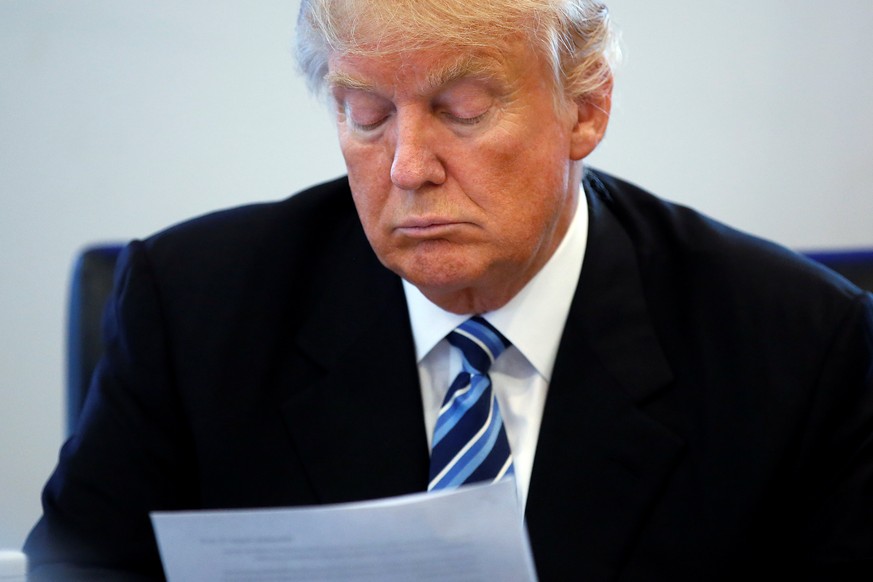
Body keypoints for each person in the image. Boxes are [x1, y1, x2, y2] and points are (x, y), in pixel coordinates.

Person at [24, 0, 873, 580]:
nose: (407, 167)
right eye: (366, 114)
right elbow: (82, 564)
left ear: (585, 108)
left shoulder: (798, 348)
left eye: (461, 111)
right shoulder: (192, 306)